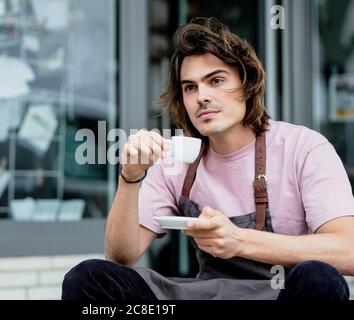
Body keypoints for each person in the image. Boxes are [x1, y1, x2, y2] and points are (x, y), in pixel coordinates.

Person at [62, 17, 354, 300]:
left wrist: (238, 241)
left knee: (321, 279)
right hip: (207, 293)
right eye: (190, 87)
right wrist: (129, 177)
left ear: (247, 84)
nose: (201, 96)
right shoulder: (176, 160)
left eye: (215, 80)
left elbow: (348, 251)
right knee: (88, 278)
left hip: (281, 294)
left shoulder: (303, 147)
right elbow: (120, 257)